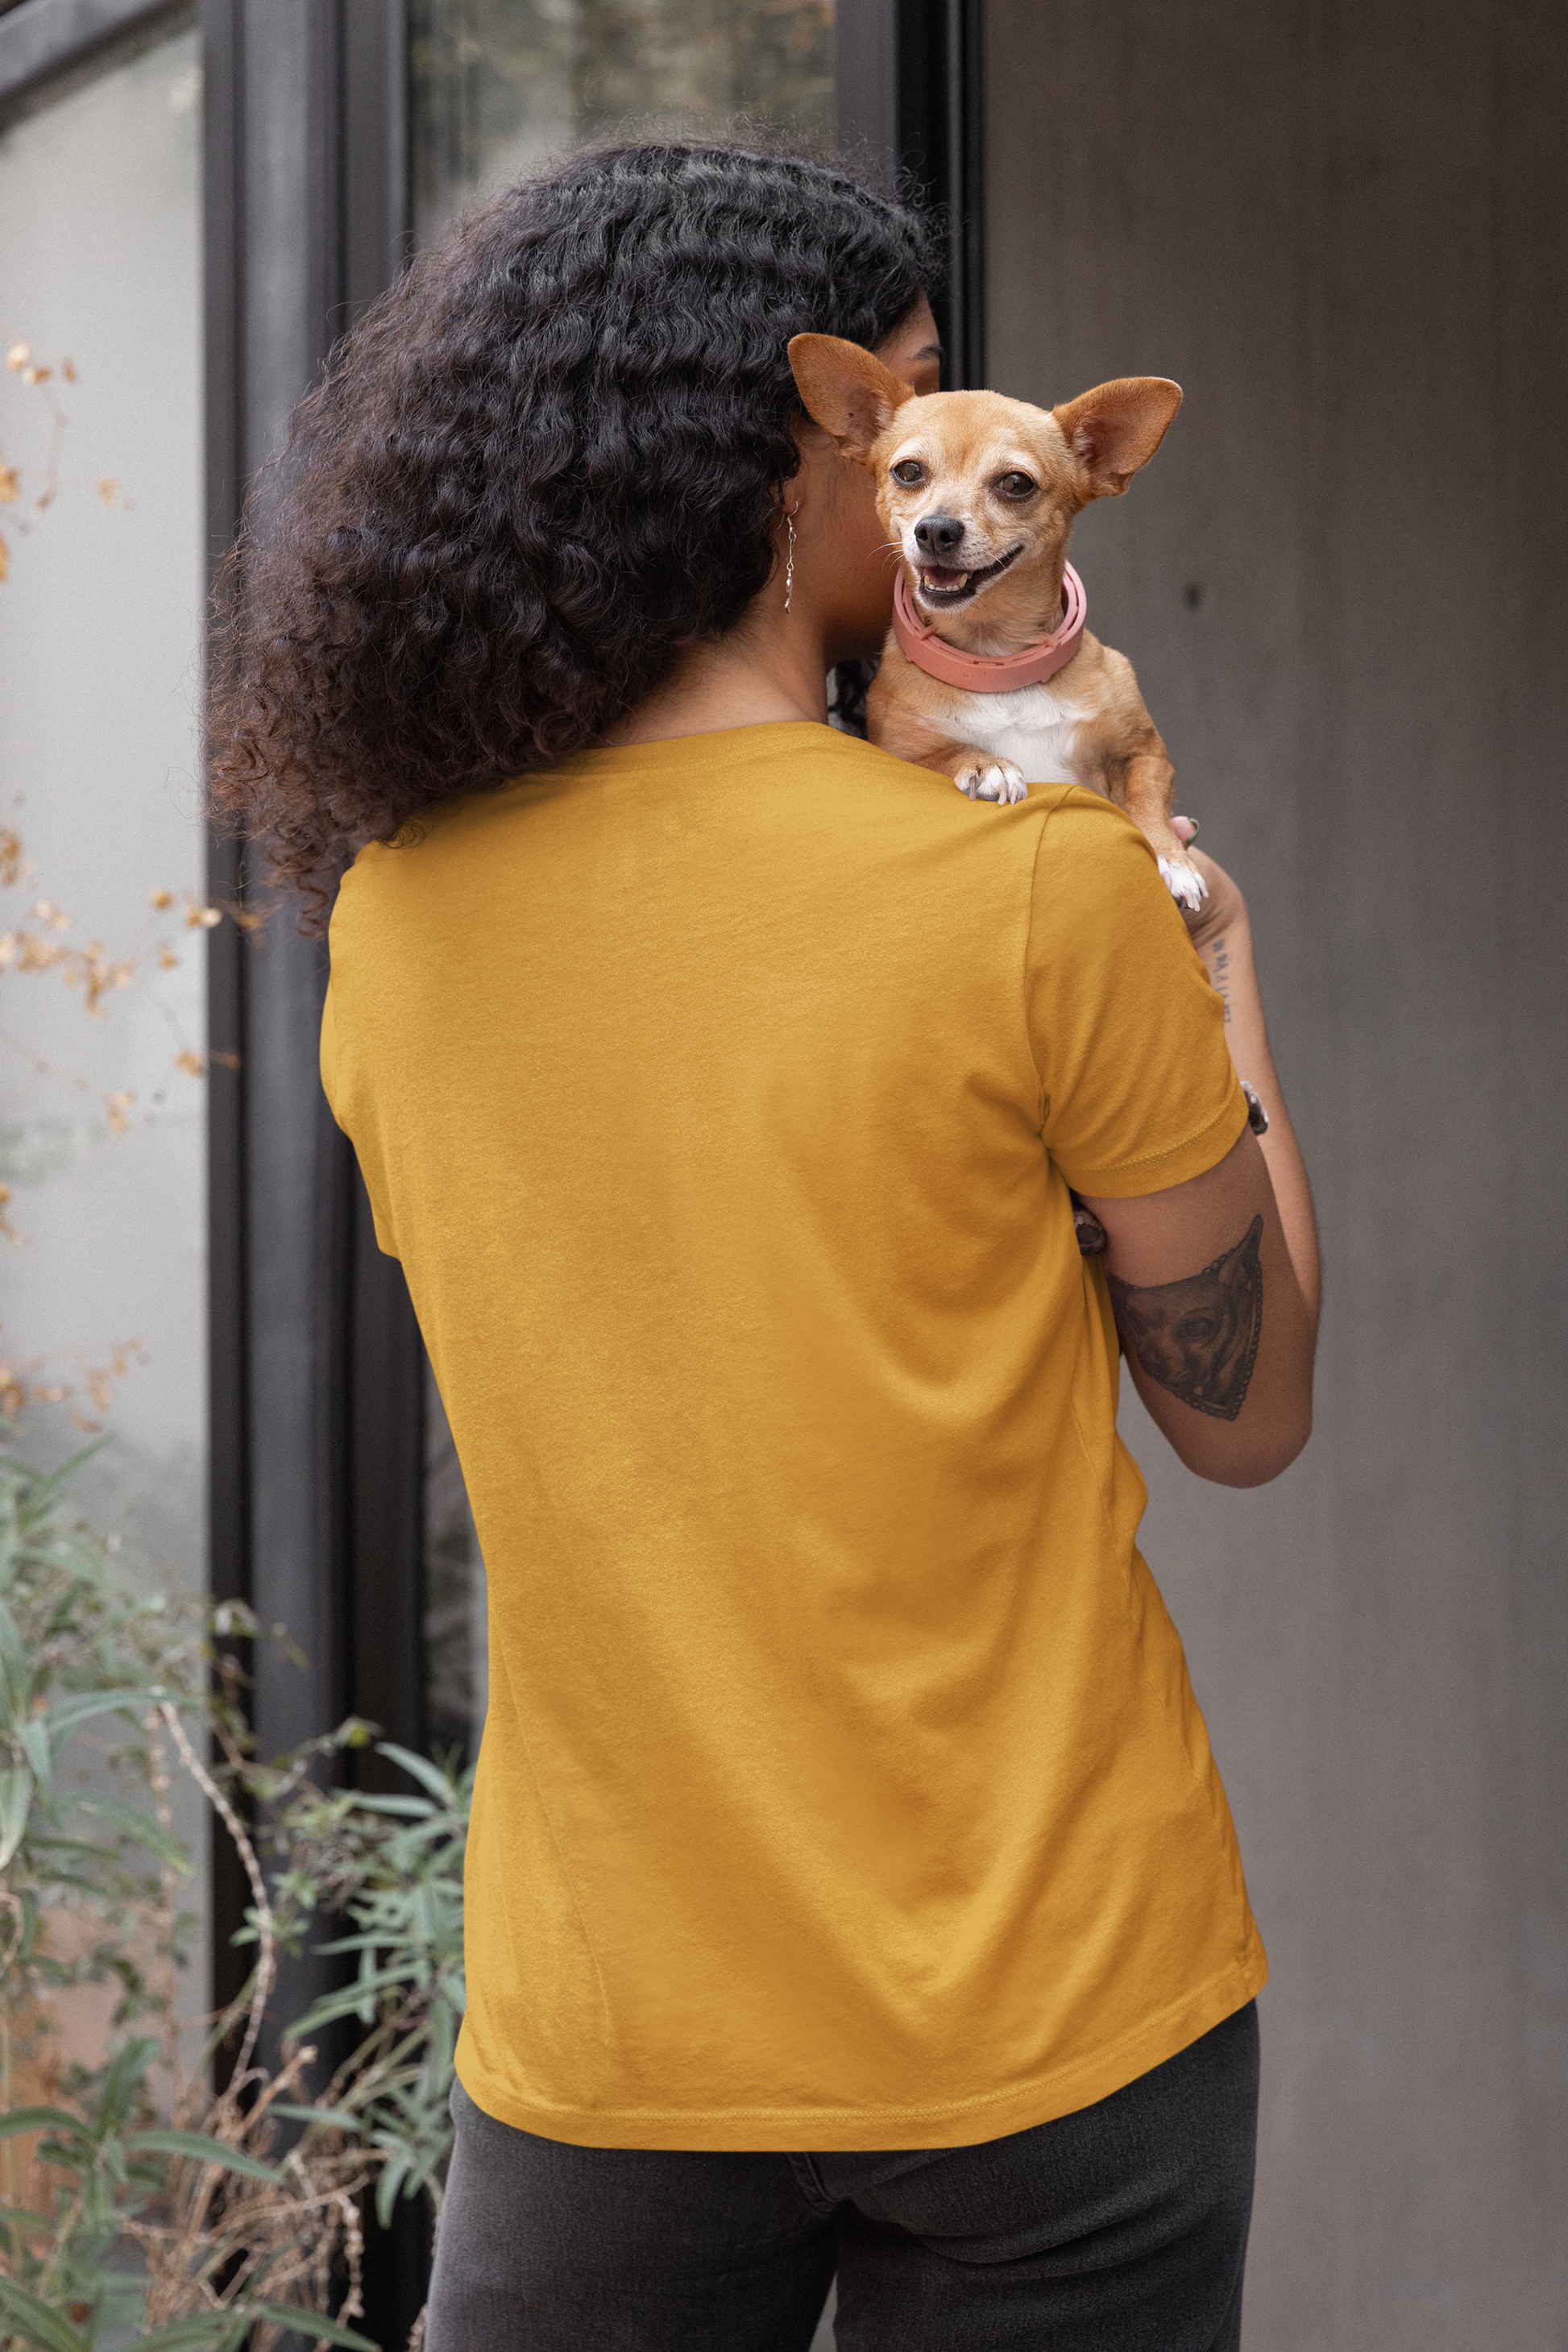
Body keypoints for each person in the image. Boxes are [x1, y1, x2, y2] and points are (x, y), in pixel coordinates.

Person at [209, 141, 1319, 2352]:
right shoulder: (1043, 891)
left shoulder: (403, 928)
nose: (932, 492)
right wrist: (1220, 938)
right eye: (899, 413)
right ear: (792, 463)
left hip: (617, 2020)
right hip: (1061, 1995)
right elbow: (1250, 1406)